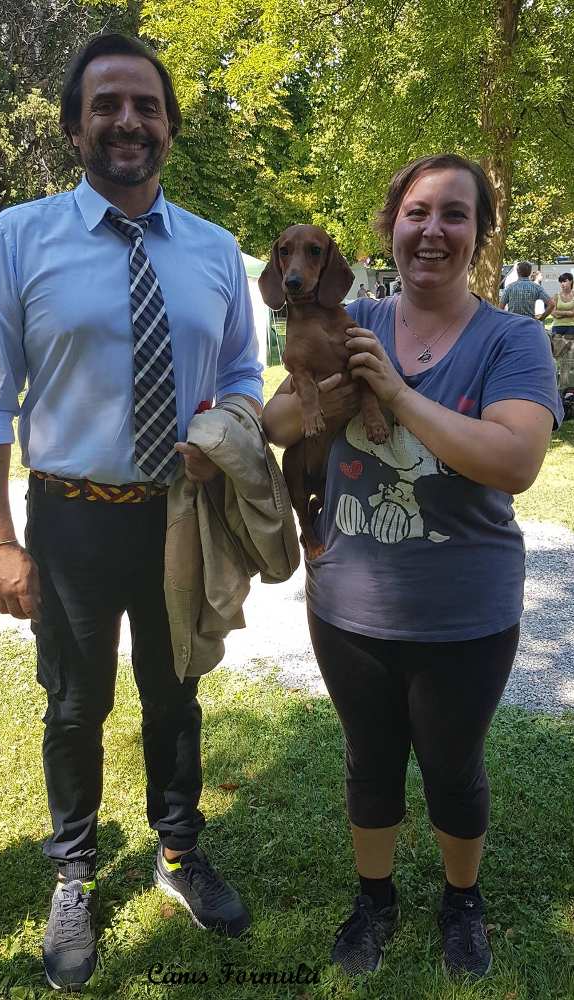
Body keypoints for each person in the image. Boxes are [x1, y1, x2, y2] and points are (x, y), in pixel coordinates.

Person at [0, 33, 262, 992]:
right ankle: (74, 874)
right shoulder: (17, 237)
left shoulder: (214, 251)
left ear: (169, 125)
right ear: (74, 124)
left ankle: (178, 855)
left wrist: (218, 434)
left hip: (178, 518)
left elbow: (246, 375)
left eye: (145, 105)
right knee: (76, 706)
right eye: (107, 104)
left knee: (177, 695)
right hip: (72, 521)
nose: (127, 121)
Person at [263, 153, 562, 979]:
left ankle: (462, 901)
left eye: (455, 215)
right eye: (417, 212)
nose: (433, 230)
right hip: (348, 606)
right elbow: (280, 423)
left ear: (479, 234)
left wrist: (392, 394)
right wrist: (312, 390)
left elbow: (513, 460)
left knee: (453, 763)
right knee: (368, 756)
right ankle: (375, 899)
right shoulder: (345, 316)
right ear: (391, 227)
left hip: (466, 611)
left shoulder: (514, 339)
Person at [550, 272, 574, 387]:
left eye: (564, 281)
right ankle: (553, 383)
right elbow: (553, 313)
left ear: (571, 281)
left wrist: (561, 313)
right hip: (557, 327)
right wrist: (568, 313)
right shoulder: (556, 296)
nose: (562, 284)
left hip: (571, 327)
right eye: (561, 282)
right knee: (556, 355)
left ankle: (564, 385)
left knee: (568, 357)